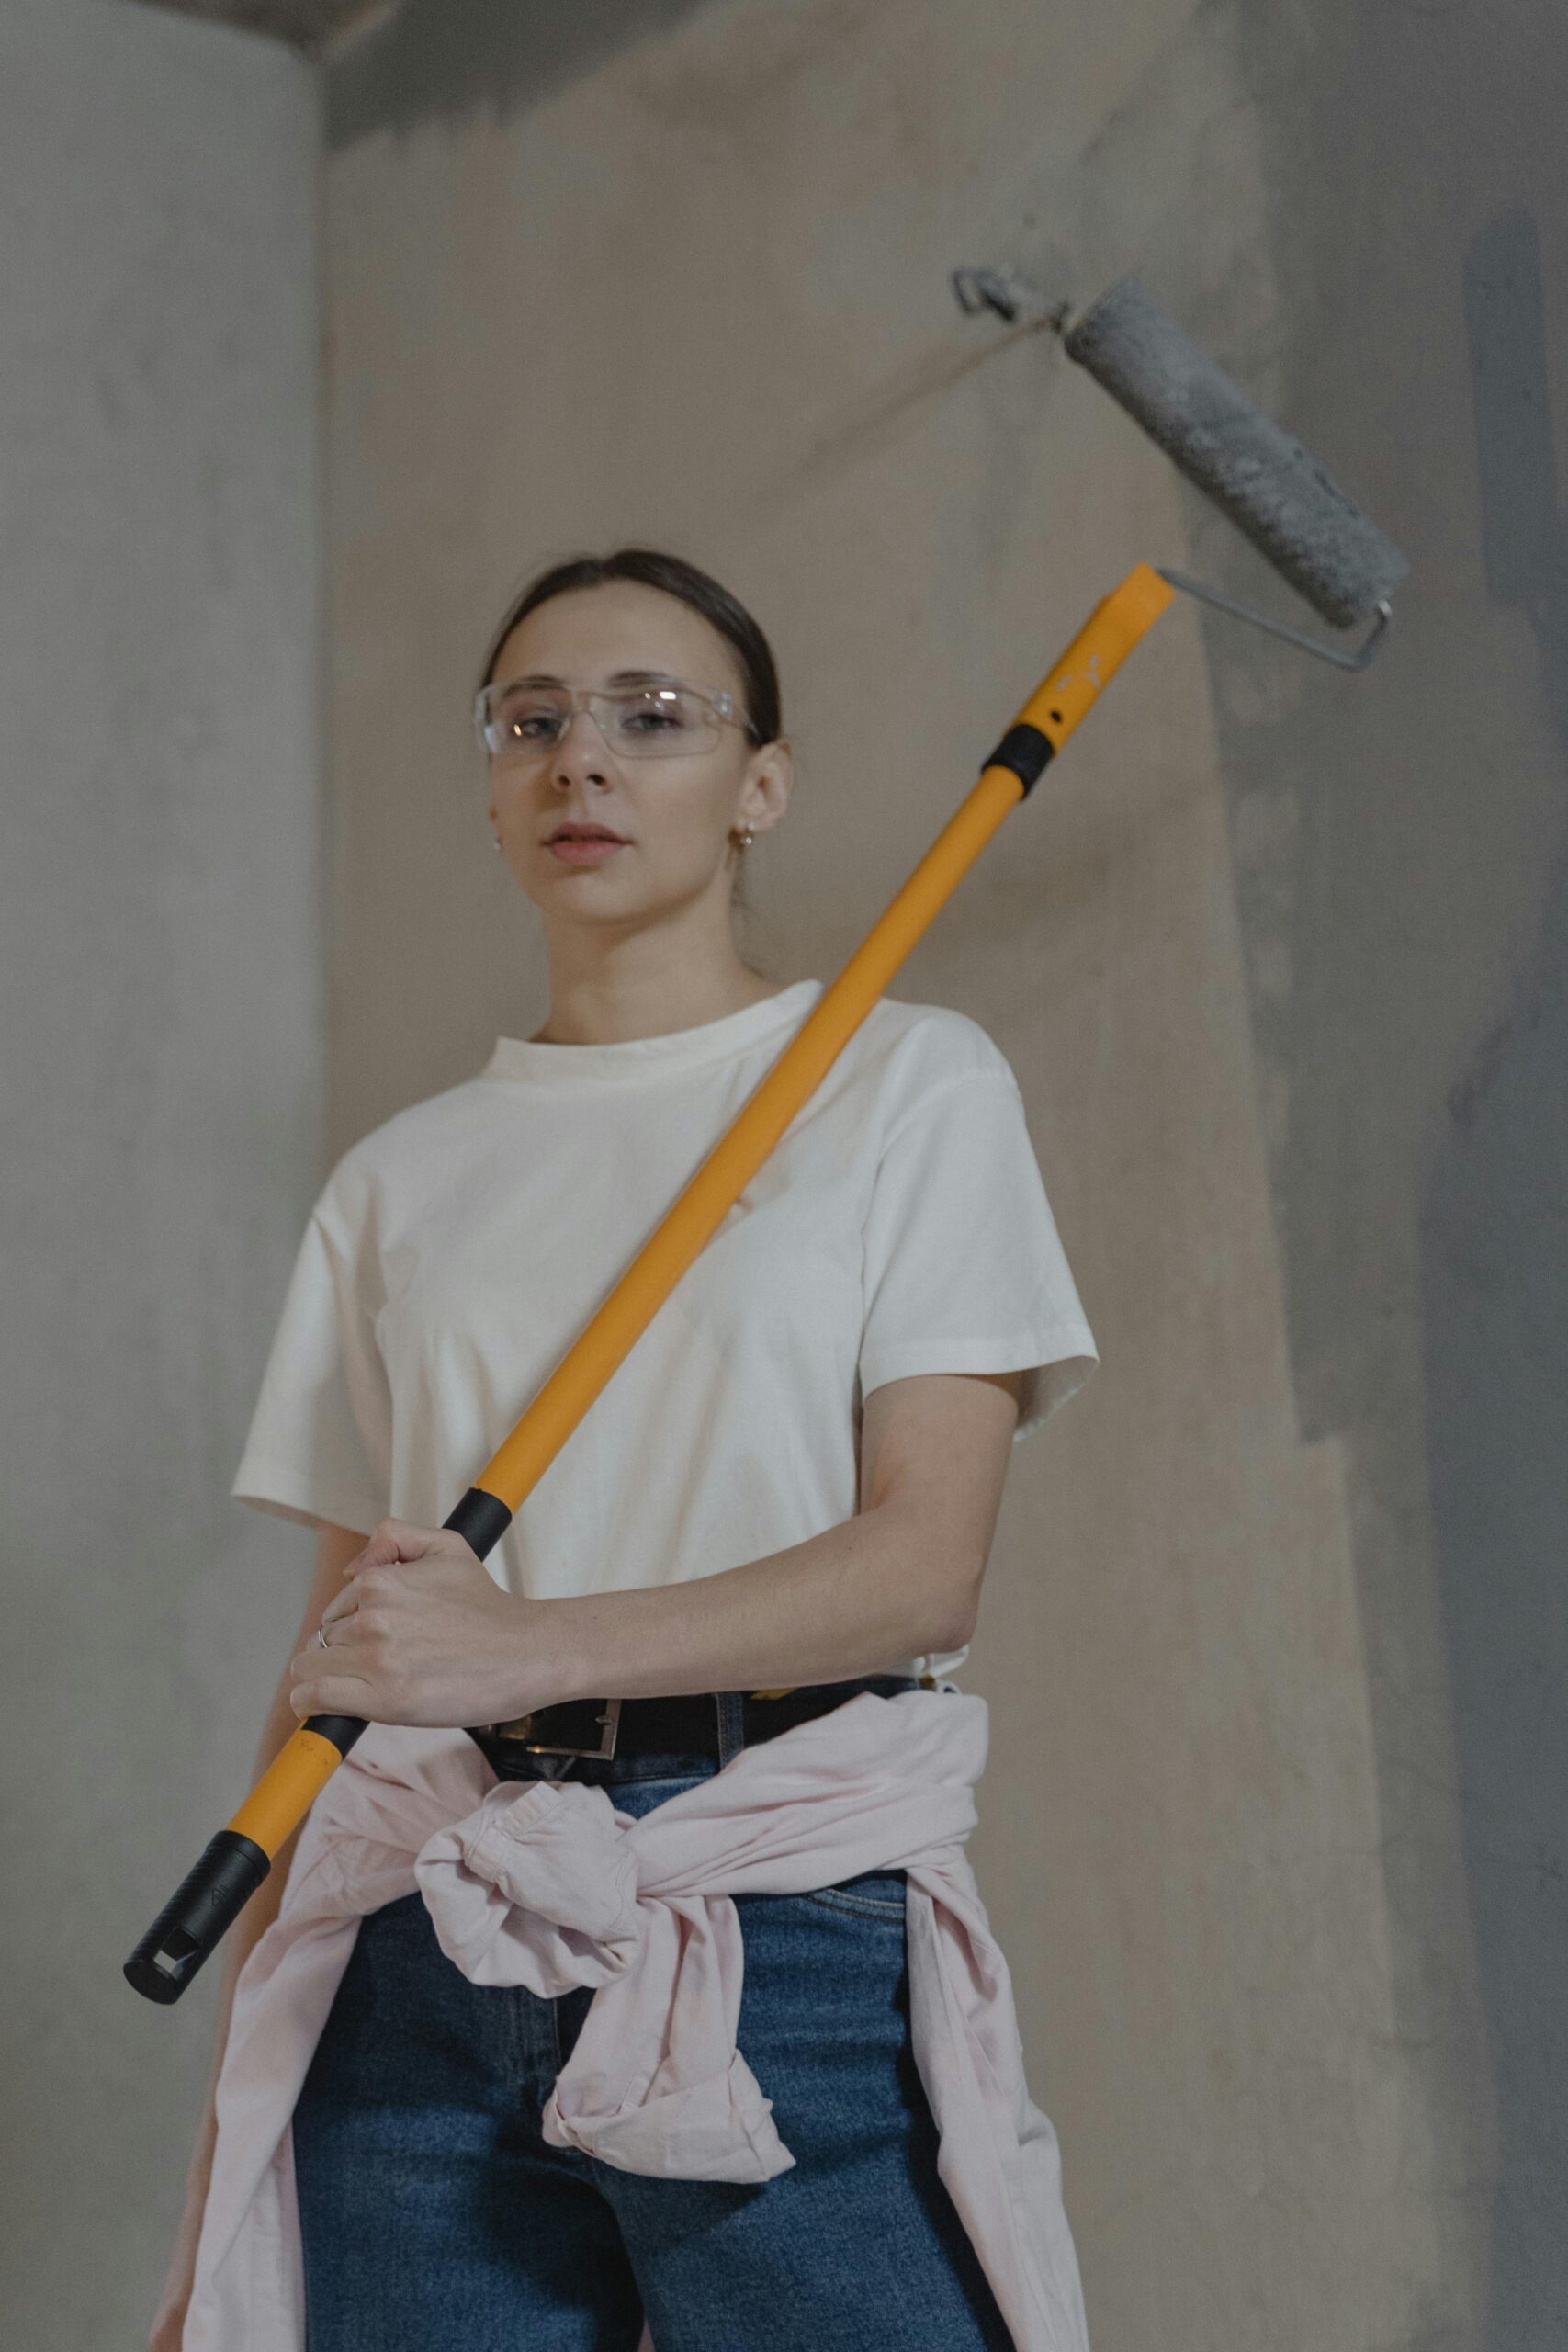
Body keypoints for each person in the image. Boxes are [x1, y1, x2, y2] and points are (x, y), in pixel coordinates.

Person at [153, 547, 1098, 2350]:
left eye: (650, 718)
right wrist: (224, 2174)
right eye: (532, 720)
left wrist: (534, 1641)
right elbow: (338, 1671)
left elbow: (922, 1561)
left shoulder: (902, 1082)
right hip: (418, 1929)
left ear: (759, 785)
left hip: (777, 1904)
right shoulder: (399, 1176)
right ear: (496, 781)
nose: (581, 758)